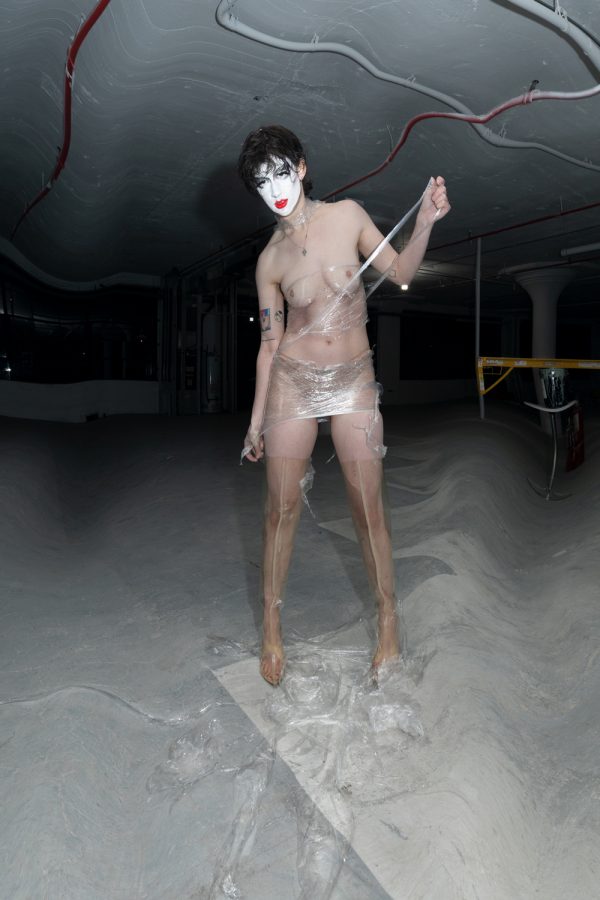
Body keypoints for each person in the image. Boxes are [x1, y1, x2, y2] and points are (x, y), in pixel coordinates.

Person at [238, 124, 450, 686]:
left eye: (281, 173)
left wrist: (425, 222)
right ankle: (272, 627)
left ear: (301, 168)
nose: (274, 189)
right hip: (292, 382)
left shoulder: (348, 216)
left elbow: (401, 273)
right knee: (279, 509)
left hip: (354, 379)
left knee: (367, 506)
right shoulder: (269, 262)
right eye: (261, 181)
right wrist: (256, 422)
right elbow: (269, 344)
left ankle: (388, 621)